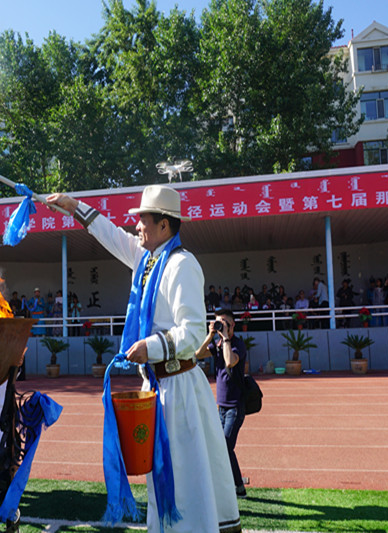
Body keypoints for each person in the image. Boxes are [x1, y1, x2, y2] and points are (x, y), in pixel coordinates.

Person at [47, 185, 240, 533]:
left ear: (164, 225)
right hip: (157, 385)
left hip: (179, 388)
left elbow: (193, 332)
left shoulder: (182, 264)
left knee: (183, 477)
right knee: (160, 476)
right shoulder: (147, 261)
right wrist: (72, 206)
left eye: (143, 221)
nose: (137, 227)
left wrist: (149, 346)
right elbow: (110, 234)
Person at [195, 308, 249, 499]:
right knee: (222, 447)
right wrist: (210, 335)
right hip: (222, 407)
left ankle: (235, 486)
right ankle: (235, 485)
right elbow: (198, 354)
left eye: (225, 323)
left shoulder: (237, 345)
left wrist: (225, 338)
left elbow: (229, 361)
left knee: (225, 446)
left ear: (233, 324)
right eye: (218, 323)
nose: (221, 326)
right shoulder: (217, 343)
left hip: (235, 406)